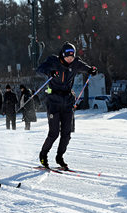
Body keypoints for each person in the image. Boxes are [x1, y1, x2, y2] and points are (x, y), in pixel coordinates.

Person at [37, 42, 97, 170]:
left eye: (72, 56)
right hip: (53, 101)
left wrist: (91, 70)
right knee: (54, 133)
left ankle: (59, 157)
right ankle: (43, 154)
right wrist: (50, 72)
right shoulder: (53, 61)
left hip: (68, 101)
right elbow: (40, 69)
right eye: (67, 56)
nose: (70, 59)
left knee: (67, 133)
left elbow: (86, 68)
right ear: (62, 55)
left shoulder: (75, 63)